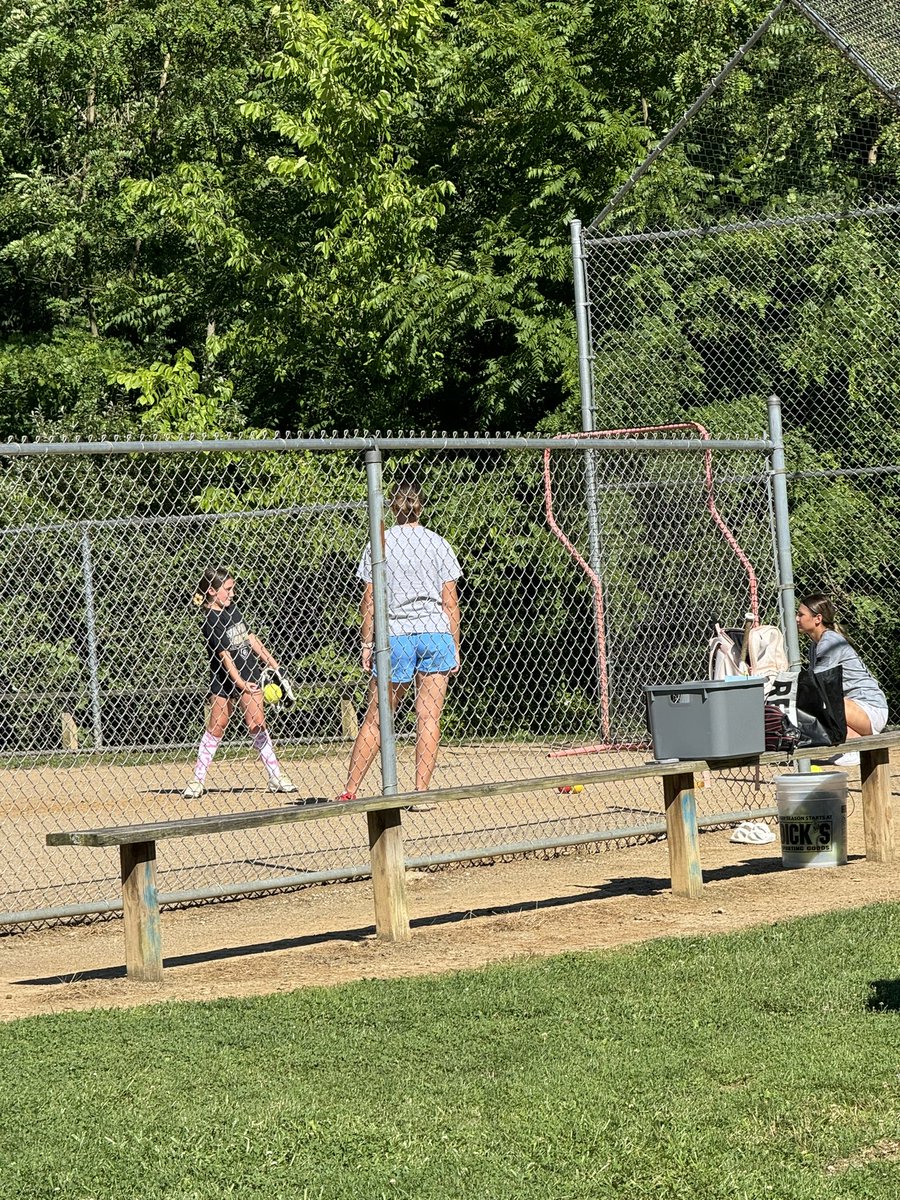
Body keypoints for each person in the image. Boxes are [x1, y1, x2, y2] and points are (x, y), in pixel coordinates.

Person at [337, 480, 461, 809]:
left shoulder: (381, 544)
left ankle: (350, 790)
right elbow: (450, 605)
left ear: (392, 507)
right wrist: (455, 645)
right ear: (421, 506)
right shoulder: (438, 543)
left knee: (378, 718)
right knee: (429, 718)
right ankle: (421, 793)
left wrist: (367, 644)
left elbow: (370, 601)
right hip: (435, 633)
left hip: (397, 636)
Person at [182, 568, 296, 798]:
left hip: (248, 670)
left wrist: (274, 664)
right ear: (212, 591)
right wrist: (240, 684)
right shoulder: (210, 621)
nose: (233, 593)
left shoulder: (233, 610)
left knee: (257, 723)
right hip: (225, 677)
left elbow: (250, 638)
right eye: (228, 589)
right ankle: (197, 780)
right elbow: (224, 656)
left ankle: (275, 776)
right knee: (217, 726)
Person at [796, 592, 889, 766]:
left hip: (871, 709)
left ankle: (853, 748)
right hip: (853, 709)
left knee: (819, 697)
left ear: (818, 618)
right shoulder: (815, 645)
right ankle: (852, 742)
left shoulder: (830, 641)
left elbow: (818, 684)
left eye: (801, 614)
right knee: (816, 699)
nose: (796, 618)